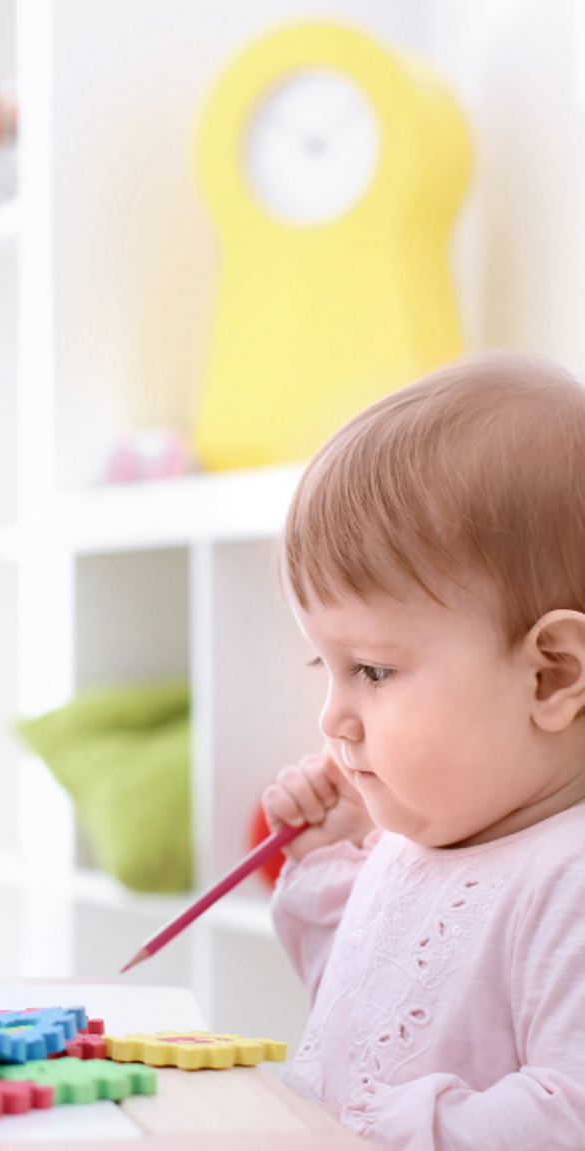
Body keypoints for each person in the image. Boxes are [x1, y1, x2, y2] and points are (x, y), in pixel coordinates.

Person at [261, 352, 585, 1149]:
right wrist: (336, 856)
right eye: (325, 666)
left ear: (551, 674)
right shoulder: (416, 839)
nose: (334, 715)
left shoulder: (567, 879)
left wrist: (372, 1125)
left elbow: (569, 1112)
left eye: (370, 669)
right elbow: (361, 1018)